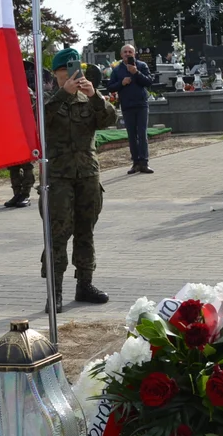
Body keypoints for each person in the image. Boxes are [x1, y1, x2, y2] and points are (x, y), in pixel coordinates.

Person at [40, 48, 115, 312]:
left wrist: (95, 96)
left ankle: (85, 284)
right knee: (57, 234)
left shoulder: (88, 97)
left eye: (77, 69)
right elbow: (39, 123)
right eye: (68, 70)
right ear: (58, 73)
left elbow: (109, 119)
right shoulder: (47, 99)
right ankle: (55, 292)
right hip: (58, 177)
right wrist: (64, 94)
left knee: (86, 232)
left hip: (87, 175)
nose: (74, 75)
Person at [108, 44, 155, 174]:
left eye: (130, 52)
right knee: (132, 135)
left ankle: (144, 163)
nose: (128, 54)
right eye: (125, 52)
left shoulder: (141, 66)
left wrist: (136, 73)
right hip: (127, 105)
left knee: (142, 133)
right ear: (121, 54)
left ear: (134, 54)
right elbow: (110, 87)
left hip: (141, 105)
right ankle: (135, 163)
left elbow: (149, 82)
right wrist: (121, 83)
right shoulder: (117, 70)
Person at [5, 86, 37, 208]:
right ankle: (17, 193)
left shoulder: (25, 90)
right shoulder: (5, 89)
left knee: (27, 166)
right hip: (10, 132)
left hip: (24, 133)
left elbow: (32, 109)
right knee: (13, 167)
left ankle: (25, 193)